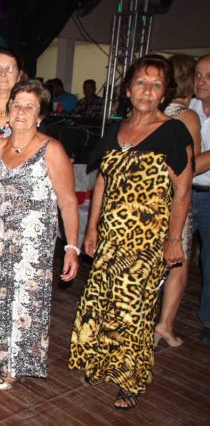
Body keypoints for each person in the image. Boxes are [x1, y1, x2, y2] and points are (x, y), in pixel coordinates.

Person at [69, 55, 193, 410]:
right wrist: (92, 227)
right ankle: (101, 364)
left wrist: (173, 240)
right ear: (127, 89)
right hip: (111, 236)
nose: (147, 91)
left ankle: (130, 380)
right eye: (141, 82)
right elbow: (102, 182)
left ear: (164, 93)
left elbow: (182, 190)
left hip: (146, 240)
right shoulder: (117, 128)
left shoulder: (173, 132)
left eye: (156, 85)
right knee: (102, 301)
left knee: (134, 309)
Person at [0, 79, 79, 391]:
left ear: (40, 115)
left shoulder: (52, 149)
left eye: (29, 107)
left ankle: (15, 365)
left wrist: (72, 248)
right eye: (16, 105)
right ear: (8, 110)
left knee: (24, 303)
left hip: (32, 246)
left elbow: (68, 201)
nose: (21, 111)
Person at [155, 54, 202, 348]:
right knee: (177, 264)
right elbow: (191, 165)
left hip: (150, 198)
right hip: (174, 198)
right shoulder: (186, 116)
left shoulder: (154, 112)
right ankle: (165, 325)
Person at [190, 53, 210, 343]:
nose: (201, 81)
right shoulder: (187, 108)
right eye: (197, 74)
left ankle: (208, 322)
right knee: (167, 257)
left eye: (208, 76)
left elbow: (193, 164)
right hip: (181, 193)